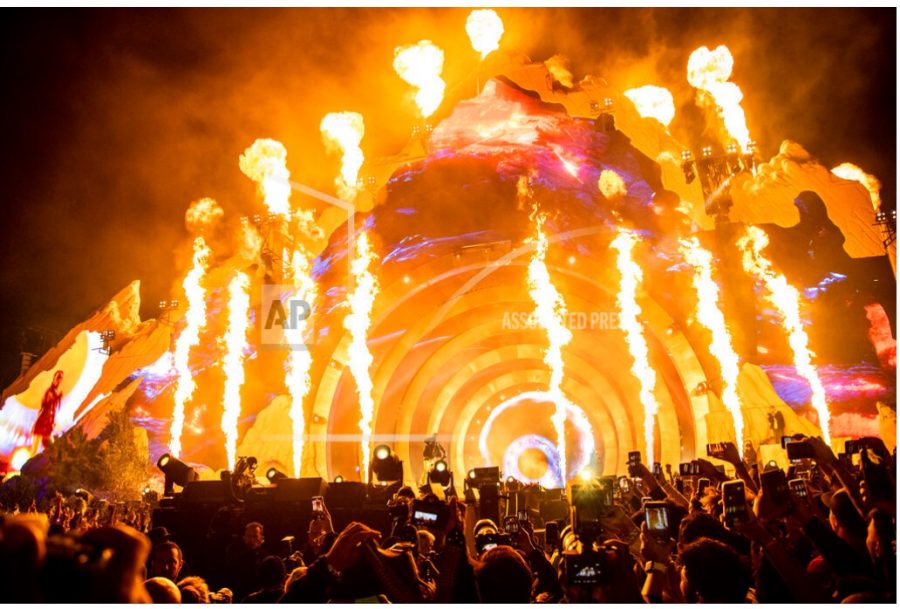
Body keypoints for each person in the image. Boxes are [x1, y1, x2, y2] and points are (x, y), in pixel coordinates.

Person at [32, 370, 63, 450]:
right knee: (39, 439)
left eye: (60, 378)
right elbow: (45, 403)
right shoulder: (50, 391)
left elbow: (53, 407)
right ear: (54, 379)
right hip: (44, 419)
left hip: (49, 420)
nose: (58, 381)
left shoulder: (55, 392)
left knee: (49, 441)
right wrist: (56, 398)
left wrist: (58, 398)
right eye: (57, 378)